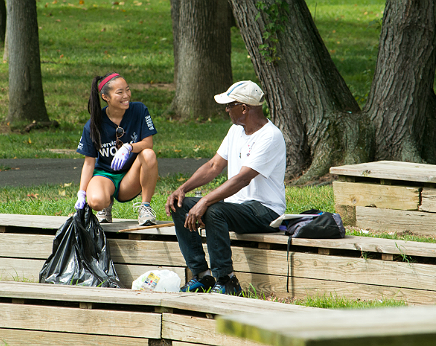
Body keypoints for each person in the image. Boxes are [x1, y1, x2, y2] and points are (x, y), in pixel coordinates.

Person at [165, 81, 286, 295]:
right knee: (179, 205)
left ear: (244, 108)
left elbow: (242, 179)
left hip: (265, 211)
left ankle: (227, 279)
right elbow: (213, 166)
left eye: (230, 105)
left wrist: (204, 201)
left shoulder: (270, 136)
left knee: (214, 210)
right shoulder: (235, 131)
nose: (226, 109)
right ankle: (202, 276)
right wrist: (183, 188)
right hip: (237, 208)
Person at [75, 72, 158, 226]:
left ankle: (145, 207)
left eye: (127, 90)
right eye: (120, 92)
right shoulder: (93, 124)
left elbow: (148, 143)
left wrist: (129, 147)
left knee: (149, 154)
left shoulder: (139, 110)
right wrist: (81, 193)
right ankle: (105, 204)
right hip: (104, 176)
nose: (126, 95)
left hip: (129, 178)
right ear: (106, 97)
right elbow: (89, 163)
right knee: (96, 201)